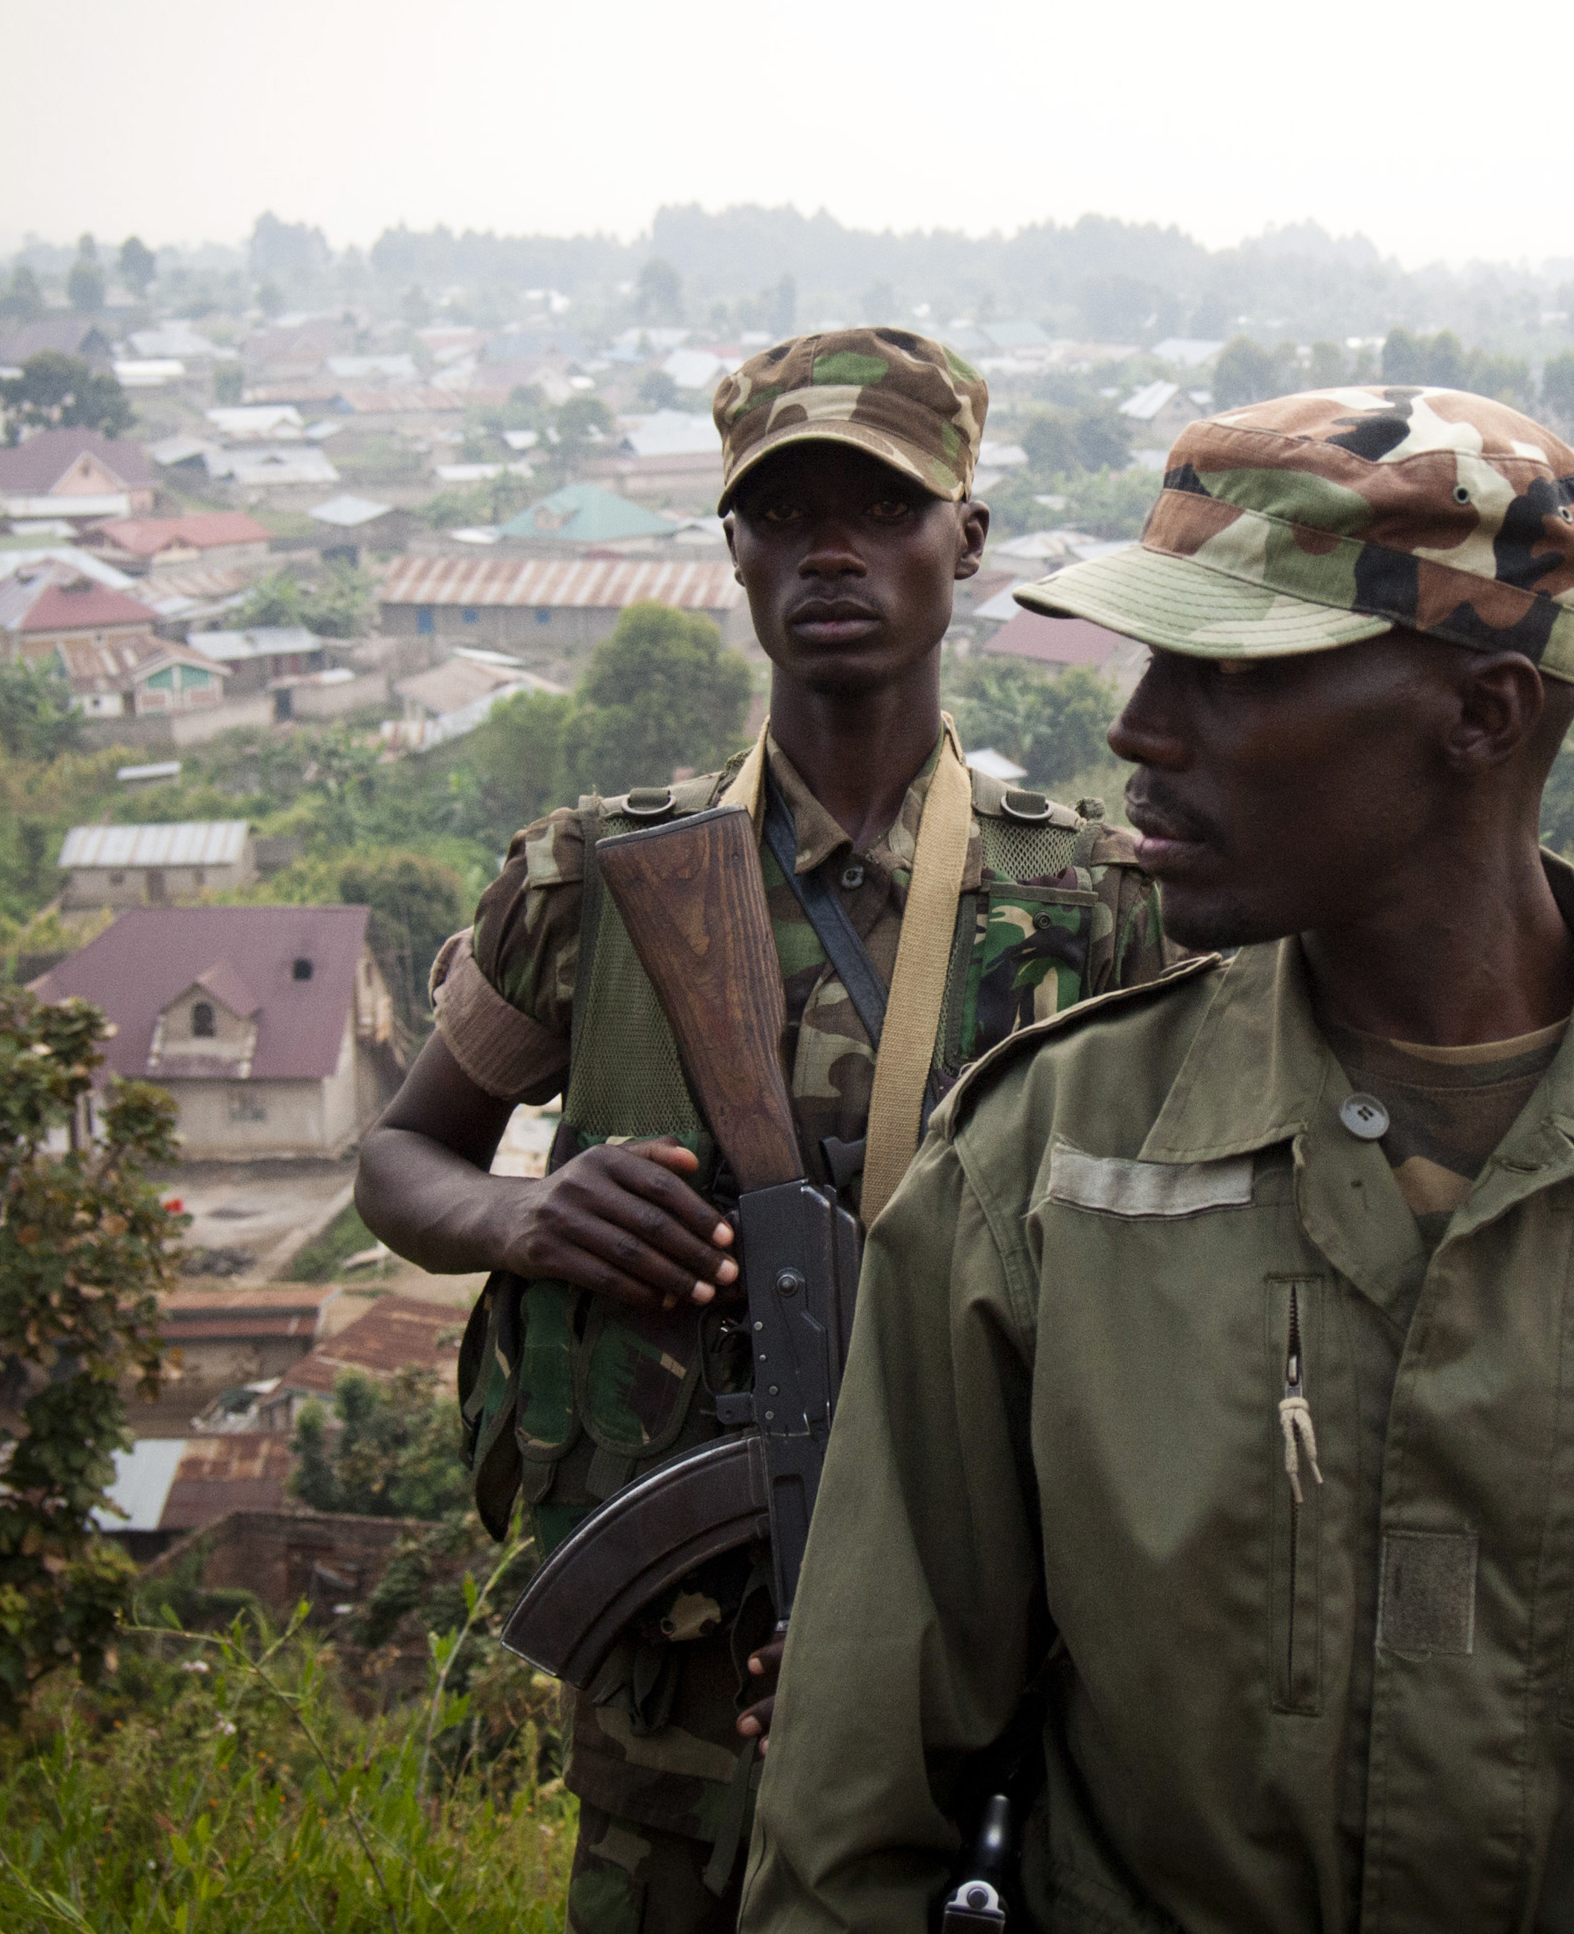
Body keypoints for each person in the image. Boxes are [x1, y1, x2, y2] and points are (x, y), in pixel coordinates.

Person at [741, 386, 1574, 1932]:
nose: (1138, 727)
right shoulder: (1049, 1169)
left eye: (1224, 668)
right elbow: (851, 1827)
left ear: (1481, 714)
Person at [353, 327, 1174, 1934]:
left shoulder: (1099, 909)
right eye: (782, 514)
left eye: (879, 507)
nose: (829, 550)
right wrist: (525, 1217)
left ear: (969, 542)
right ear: (731, 549)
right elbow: (399, 1158)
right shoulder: (592, 877)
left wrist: (942, 1636)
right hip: (669, 1690)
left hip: (983, 1669)